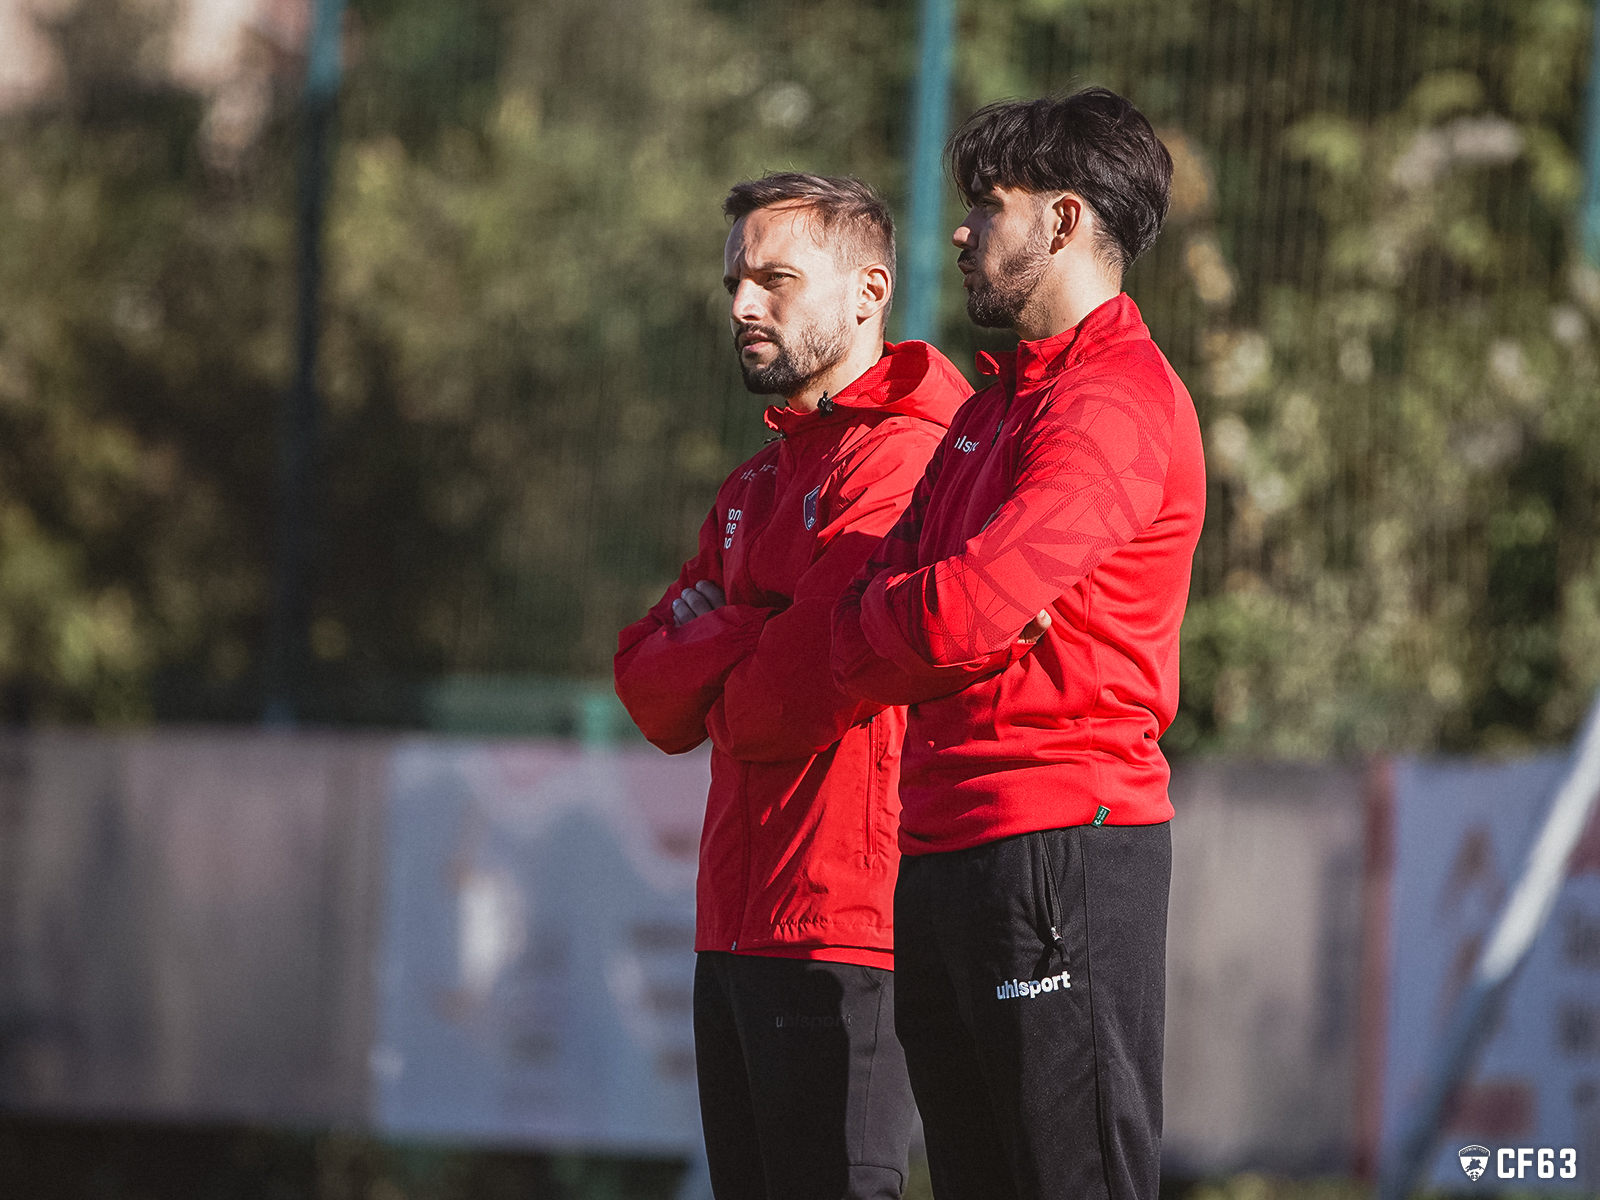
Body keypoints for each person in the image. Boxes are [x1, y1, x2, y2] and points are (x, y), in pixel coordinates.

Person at [830, 90, 1206, 1200]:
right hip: (947, 845)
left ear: (1061, 220)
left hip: (1060, 846)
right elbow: (884, 608)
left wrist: (928, 612)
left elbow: (955, 612)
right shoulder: (997, 408)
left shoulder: (1113, 401)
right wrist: (924, 614)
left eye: (986, 207)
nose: (959, 231)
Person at [614, 172, 970, 1200]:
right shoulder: (758, 480)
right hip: (732, 927)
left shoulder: (904, 460)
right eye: (734, 279)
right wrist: (749, 624)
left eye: (774, 278)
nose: (740, 306)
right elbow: (646, 691)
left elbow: (789, 699)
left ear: (868, 291)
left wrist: (717, 637)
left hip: (843, 929)